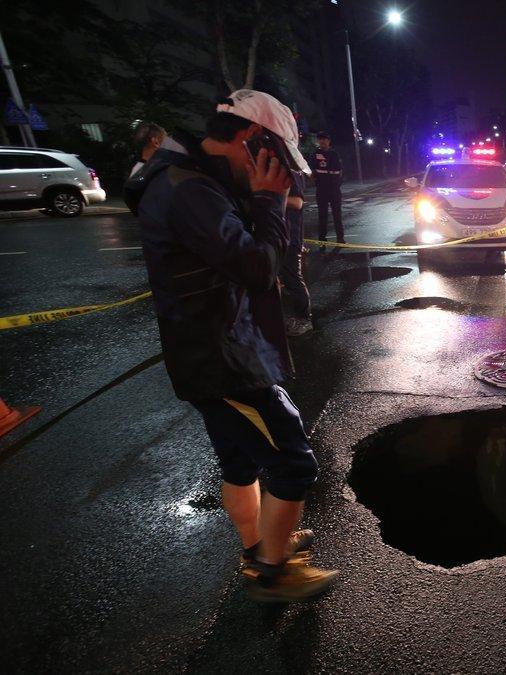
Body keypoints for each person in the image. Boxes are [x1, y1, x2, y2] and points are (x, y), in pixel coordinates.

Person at [124, 90, 339, 602]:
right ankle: (274, 570)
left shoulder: (191, 178)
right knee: (293, 460)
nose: (281, 172)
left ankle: (257, 548)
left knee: (240, 463)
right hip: (222, 358)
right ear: (250, 141)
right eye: (277, 160)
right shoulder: (189, 190)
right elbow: (259, 270)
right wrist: (269, 202)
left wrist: (273, 201)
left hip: (208, 348)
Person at [281, 171, 313, 336]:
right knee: (280, 280)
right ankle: (286, 318)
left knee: (293, 279)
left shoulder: (291, 171)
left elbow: (298, 202)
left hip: (290, 238)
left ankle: (303, 319)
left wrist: (267, 196)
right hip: (276, 237)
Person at [311, 131, 343, 249]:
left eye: (324, 139)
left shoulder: (334, 154)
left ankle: (340, 239)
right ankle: (322, 240)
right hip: (321, 190)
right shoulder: (315, 154)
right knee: (322, 215)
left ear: (329, 141)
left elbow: (340, 171)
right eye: (320, 139)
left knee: (337, 215)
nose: (322, 141)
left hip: (334, 189)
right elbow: (312, 171)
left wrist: (337, 184)